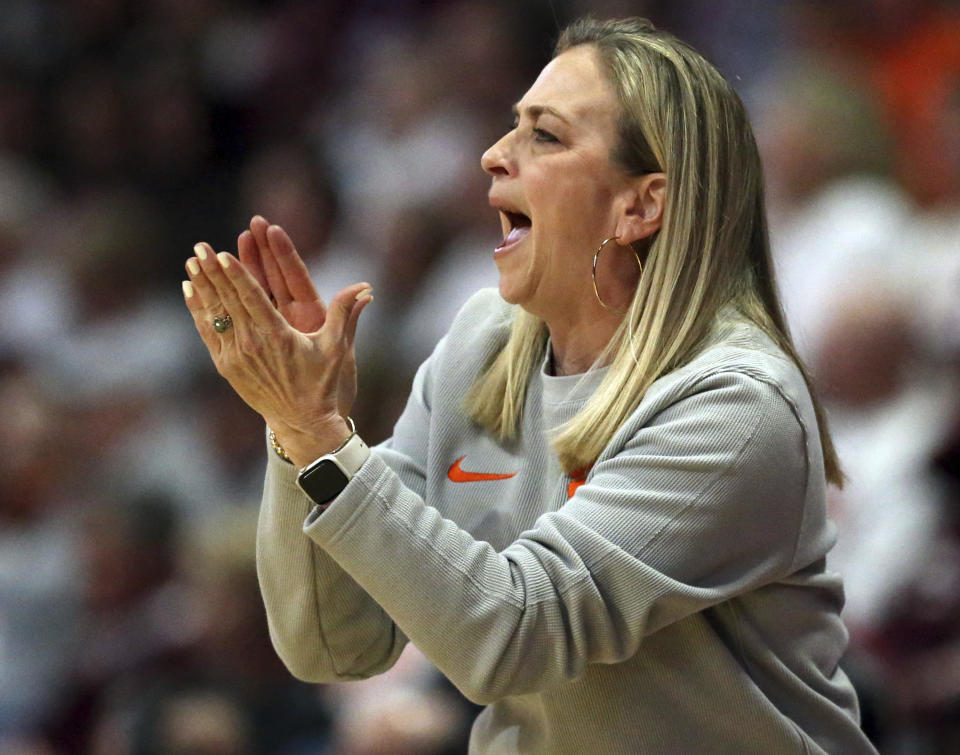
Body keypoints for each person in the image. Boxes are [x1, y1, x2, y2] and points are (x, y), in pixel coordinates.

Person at [182, 17, 877, 754]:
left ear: (641, 204)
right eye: (511, 126)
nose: (492, 154)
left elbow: (516, 632)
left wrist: (322, 434)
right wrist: (296, 431)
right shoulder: (482, 344)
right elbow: (336, 639)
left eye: (543, 135)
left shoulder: (735, 402)